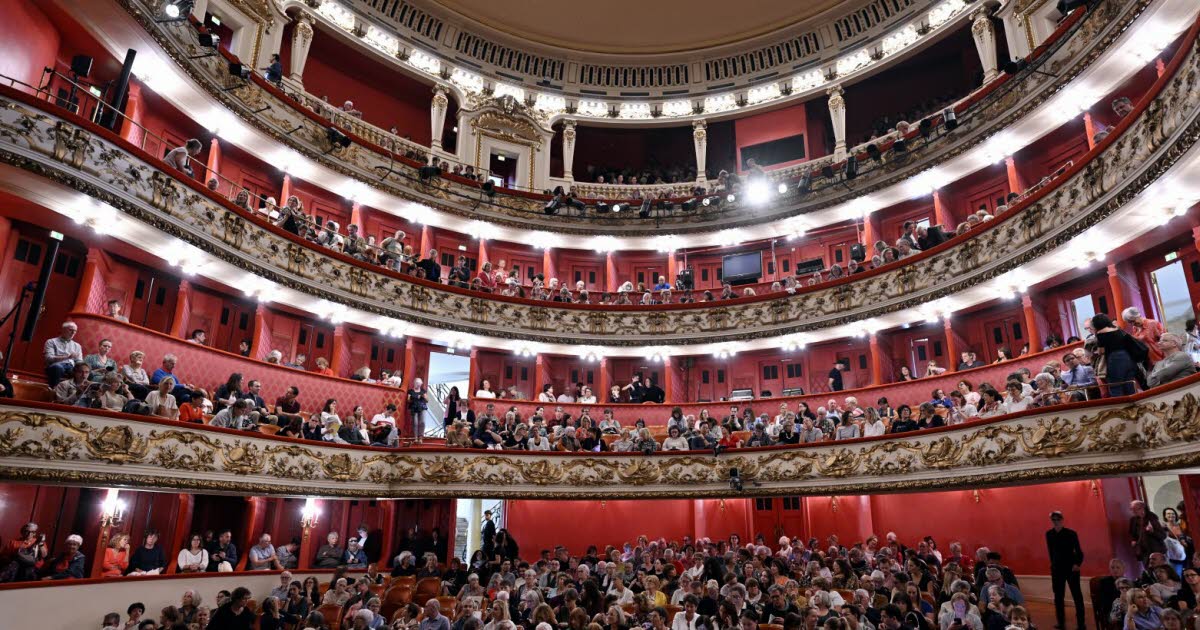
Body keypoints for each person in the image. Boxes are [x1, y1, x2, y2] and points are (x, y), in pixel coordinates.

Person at [1045, 511, 1086, 630]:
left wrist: (1077, 564)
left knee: (1077, 596)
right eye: (1054, 519)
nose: (1056, 521)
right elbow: (1051, 552)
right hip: (1057, 569)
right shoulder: (1049, 534)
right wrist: (1052, 565)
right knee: (1058, 597)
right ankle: (1061, 622)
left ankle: (1081, 623)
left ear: (1062, 520)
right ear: (1051, 521)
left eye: (1058, 519)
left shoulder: (1071, 533)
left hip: (1071, 568)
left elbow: (1079, 551)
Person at [44, 321, 83, 385]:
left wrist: (85, 367)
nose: (73, 333)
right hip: (56, 365)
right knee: (57, 367)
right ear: (63, 330)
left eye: (75, 331)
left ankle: (76, 392)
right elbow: (49, 358)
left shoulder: (77, 345)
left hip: (71, 367)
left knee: (83, 372)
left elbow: (79, 361)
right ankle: (53, 390)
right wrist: (67, 357)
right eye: (71, 330)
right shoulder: (51, 341)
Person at [1130, 500, 1167, 566]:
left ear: (1141, 508)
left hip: (1156, 551)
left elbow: (1163, 535)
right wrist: (1134, 540)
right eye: (1132, 509)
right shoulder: (1133, 520)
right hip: (1144, 552)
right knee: (1148, 571)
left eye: (1134, 509)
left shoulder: (1152, 518)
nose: (1132, 511)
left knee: (1159, 569)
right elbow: (1132, 534)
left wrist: (1152, 532)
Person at [408, 378, 430, 444]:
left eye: (420, 384)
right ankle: (415, 438)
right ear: (414, 383)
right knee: (415, 423)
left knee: (422, 422)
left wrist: (424, 396)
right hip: (414, 408)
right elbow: (408, 400)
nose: (418, 385)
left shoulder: (423, 390)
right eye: (417, 383)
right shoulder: (411, 391)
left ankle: (420, 437)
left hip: (422, 407)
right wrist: (415, 397)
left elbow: (427, 400)